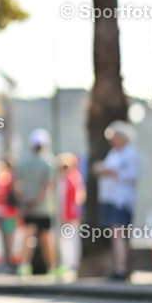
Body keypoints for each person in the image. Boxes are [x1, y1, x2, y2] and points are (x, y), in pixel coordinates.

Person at [93, 120, 140, 281]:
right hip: (109, 198)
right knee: (115, 234)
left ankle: (121, 268)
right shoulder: (113, 153)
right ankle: (119, 266)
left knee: (119, 233)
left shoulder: (131, 154)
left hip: (121, 200)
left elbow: (132, 176)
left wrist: (112, 172)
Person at [14, 129, 56, 275]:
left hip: (28, 207)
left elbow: (16, 184)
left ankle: (24, 266)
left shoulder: (22, 162)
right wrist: (36, 199)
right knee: (46, 238)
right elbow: (48, 185)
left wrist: (24, 198)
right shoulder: (48, 162)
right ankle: (52, 268)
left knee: (28, 236)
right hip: (43, 208)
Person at [57, 153, 86, 276]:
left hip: (71, 215)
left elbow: (78, 197)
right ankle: (66, 263)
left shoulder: (74, 178)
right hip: (65, 214)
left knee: (71, 239)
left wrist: (73, 212)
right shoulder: (64, 179)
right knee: (66, 240)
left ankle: (72, 263)